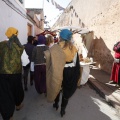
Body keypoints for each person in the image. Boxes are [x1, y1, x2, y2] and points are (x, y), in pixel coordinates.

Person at [44, 29, 80, 117]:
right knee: (66, 90)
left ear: (60, 37)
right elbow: (76, 63)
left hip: (58, 71)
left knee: (57, 86)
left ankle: (55, 104)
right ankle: (63, 109)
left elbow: (48, 58)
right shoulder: (73, 48)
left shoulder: (55, 47)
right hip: (69, 72)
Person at [0, 27, 29, 120]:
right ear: (16, 35)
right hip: (15, 74)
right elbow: (25, 62)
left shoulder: (0, 45)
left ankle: (8, 116)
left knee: (5, 95)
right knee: (17, 91)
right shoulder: (19, 47)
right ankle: (18, 105)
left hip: (2, 74)